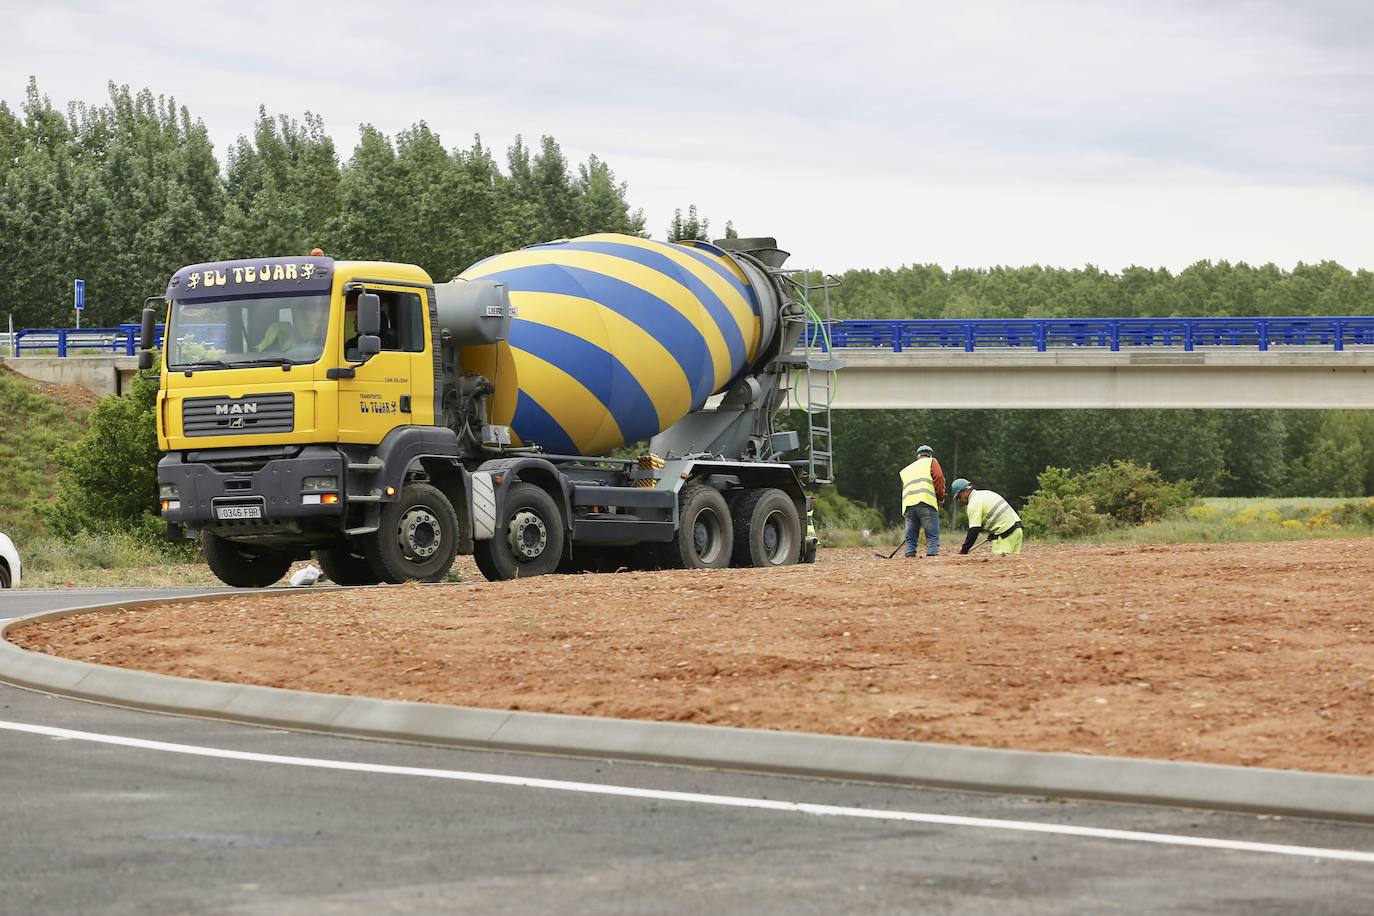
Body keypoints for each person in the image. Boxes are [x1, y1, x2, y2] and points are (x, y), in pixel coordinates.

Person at [951, 478, 1024, 555]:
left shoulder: (973, 503)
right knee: (1012, 563)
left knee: (1000, 564)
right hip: (1017, 530)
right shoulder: (985, 493)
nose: (959, 500)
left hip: (1005, 535)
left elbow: (974, 530)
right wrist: (992, 533)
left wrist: (964, 550)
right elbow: (998, 515)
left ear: (965, 491)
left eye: (959, 497)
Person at [899, 444, 945, 557]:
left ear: (918, 456)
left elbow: (904, 486)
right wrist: (940, 497)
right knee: (932, 535)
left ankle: (909, 557)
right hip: (926, 501)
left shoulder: (907, 469)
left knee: (911, 537)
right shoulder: (931, 462)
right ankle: (932, 557)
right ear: (930, 455)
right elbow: (939, 477)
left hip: (908, 504)